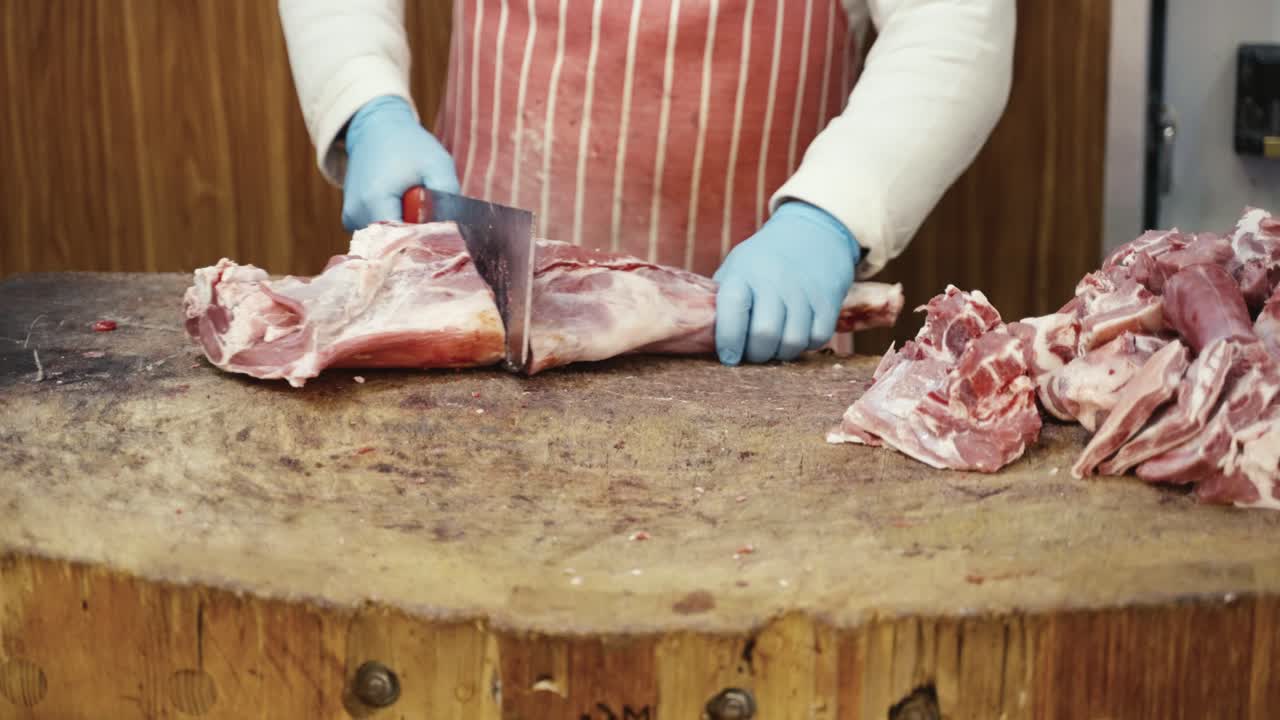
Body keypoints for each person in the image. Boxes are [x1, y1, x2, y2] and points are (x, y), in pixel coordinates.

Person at [279, 0, 1014, 366]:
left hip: (755, 327)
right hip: (477, 304)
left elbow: (953, 27)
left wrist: (828, 216)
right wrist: (366, 102)